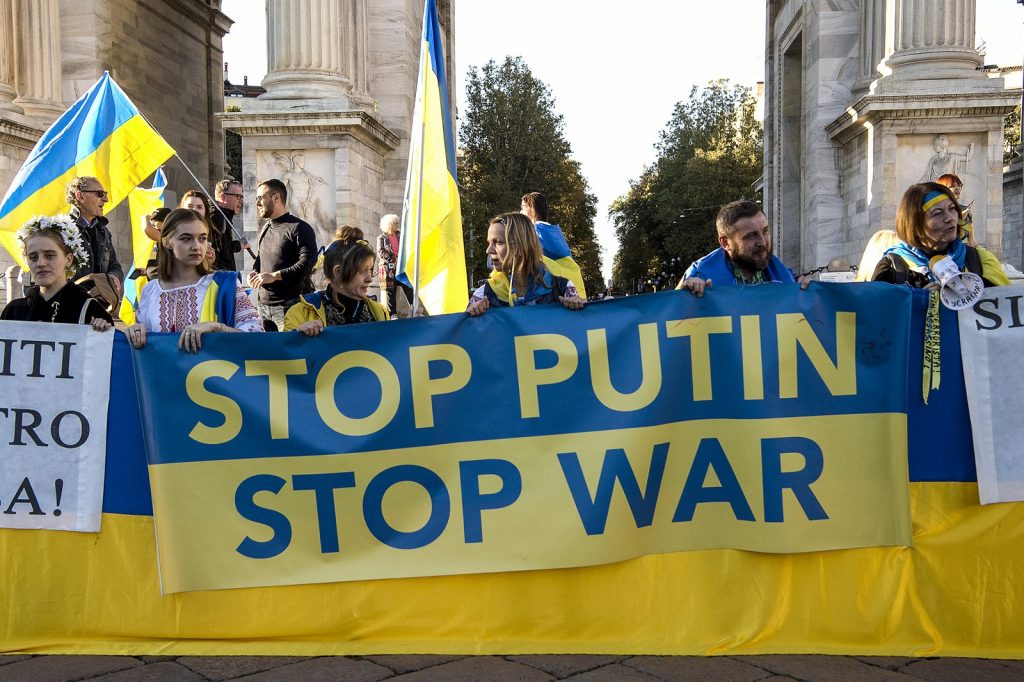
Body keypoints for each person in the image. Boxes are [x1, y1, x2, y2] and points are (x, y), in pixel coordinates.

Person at [125, 208, 262, 352]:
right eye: (186, 238)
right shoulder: (151, 290)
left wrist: (217, 327)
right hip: (162, 373)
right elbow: (141, 346)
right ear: (166, 242)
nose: (196, 246)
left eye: (202, 238)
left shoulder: (225, 284)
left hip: (215, 373)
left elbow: (257, 336)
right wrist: (135, 332)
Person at [872, 182, 1008, 288]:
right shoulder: (892, 269)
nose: (950, 218)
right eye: (937, 213)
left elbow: (1007, 309)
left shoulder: (980, 260)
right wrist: (918, 303)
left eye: (952, 209)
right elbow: (879, 319)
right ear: (914, 222)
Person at [1, 215, 113, 330]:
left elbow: (109, 345)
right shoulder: (14, 311)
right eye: (33, 257)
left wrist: (103, 331)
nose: (40, 263)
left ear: (68, 259)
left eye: (50, 256)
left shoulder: (90, 310)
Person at [466, 212, 586, 316]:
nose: (488, 250)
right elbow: (465, 336)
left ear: (520, 245)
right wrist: (471, 316)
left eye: (498, 242)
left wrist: (579, 308)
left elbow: (580, 331)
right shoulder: (483, 295)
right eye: (489, 243)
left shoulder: (563, 289)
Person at [676, 200, 796, 295]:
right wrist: (686, 297)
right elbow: (676, 318)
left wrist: (808, 291)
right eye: (751, 236)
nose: (763, 242)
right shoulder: (700, 275)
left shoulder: (786, 276)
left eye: (765, 231)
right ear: (725, 243)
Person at [284, 228, 388, 335]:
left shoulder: (379, 312)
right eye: (362, 271)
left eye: (370, 270)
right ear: (337, 272)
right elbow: (284, 349)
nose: (370, 279)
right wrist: (297, 335)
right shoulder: (301, 313)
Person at [248, 178, 318, 331]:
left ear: (276, 197)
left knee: (291, 353)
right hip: (263, 306)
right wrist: (254, 271)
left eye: (260, 198)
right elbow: (261, 257)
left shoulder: (300, 228)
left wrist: (274, 276)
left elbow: (307, 264)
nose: (257, 203)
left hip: (290, 306)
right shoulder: (266, 228)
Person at [65, 176, 123, 310]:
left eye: (105, 194)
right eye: (100, 194)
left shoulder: (104, 231)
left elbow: (115, 265)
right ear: (80, 196)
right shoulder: (63, 230)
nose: (106, 199)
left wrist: (114, 276)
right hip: (72, 310)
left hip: (100, 309)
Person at [520, 191, 588, 299]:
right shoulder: (551, 231)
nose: (520, 212)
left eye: (522, 208)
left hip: (551, 287)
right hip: (567, 284)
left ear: (531, 208)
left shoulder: (537, 231)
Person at [375, 213, 413, 318]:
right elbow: (381, 252)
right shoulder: (381, 238)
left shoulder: (402, 235)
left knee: (408, 286)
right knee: (390, 290)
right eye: (394, 223)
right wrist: (395, 258)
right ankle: (393, 314)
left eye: (397, 222)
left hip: (402, 267)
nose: (397, 224)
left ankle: (414, 308)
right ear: (388, 225)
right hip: (388, 268)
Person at [210, 178, 246, 270]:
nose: (241, 201)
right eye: (238, 196)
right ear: (223, 197)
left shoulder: (225, 216)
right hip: (221, 275)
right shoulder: (217, 216)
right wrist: (239, 245)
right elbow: (220, 248)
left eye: (242, 197)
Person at [935, 173, 976, 247]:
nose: (958, 188)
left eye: (959, 185)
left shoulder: (964, 209)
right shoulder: (935, 209)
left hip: (963, 249)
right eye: (952, 186)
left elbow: (971, 238)